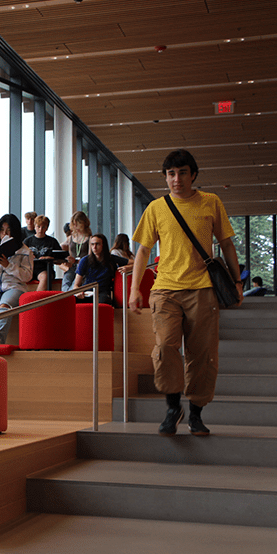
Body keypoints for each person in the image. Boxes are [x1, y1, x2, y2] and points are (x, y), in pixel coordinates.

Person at [129, 149, 242, 437]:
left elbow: (226, 244)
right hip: (165, 289)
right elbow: (142, 250)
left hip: (203, 289)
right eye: (170, 174)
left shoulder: (211, 202)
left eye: (182, 173)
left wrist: (237, 281)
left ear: (193, 175)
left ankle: (196, 414)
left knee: (201, 354)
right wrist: (134, 290)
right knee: (166, 348)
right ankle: (171, 407)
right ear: (166, 177)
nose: (176, 179)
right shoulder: (156, 208)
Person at [0, 214, 33, 344]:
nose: (5, 234)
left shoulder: (25, 251)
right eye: (2, 230)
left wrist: (8, 266)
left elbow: (27, 276)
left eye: (9, 230)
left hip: (15, 287)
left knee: (4, 306)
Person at [72, 234, 129, 305]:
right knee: (70, 301)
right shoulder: (85, 260)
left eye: (97, 244)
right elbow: (76, 285)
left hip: (103, 293)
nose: (94, 247)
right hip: (87, 292)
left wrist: (128, 267)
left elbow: (136, 262)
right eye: (92, 244)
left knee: (103, 302)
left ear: (103, 245)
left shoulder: (111, 259)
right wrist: (78, 292)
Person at [23, 215, 64, 291]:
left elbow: (61, 258)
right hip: (30, 268)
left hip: (45, 269)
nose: (40, 229)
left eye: (43, 227)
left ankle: (36, 300)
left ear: (47, 228)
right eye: (38, 226)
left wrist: (50, 258)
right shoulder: (27, 241)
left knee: (45, 276)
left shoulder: (52, 241)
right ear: (34, 226)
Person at [61, 211, 92, 291]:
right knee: (65, 282)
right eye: (74, 224)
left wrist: (77, 261)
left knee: (74, 285)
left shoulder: (89, 238)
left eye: (78, 224)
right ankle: (67, 297)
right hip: (71, 266)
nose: (75, 226)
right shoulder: (71, 238)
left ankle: (69, 298)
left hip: (82, 267)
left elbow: (90, 257)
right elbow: (61, 248)